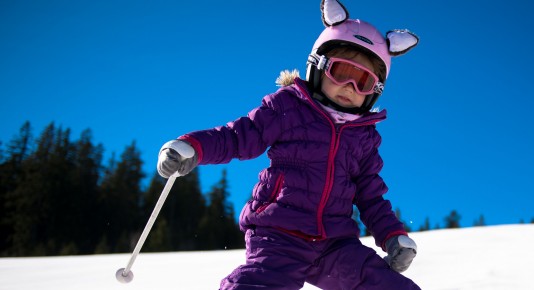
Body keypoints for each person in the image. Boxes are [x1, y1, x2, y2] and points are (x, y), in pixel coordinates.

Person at [155, 1, 421, 289]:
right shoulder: (288, 108)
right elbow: (238, 136)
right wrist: (193, 146)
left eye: (362, 82)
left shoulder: (364, 137)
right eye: (342, 73)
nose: (350, 87)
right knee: (261, 283)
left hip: (335, 243)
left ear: (374, 92)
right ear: (318, 67)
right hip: (279, 233)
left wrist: (392, 235)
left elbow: (370, 196)